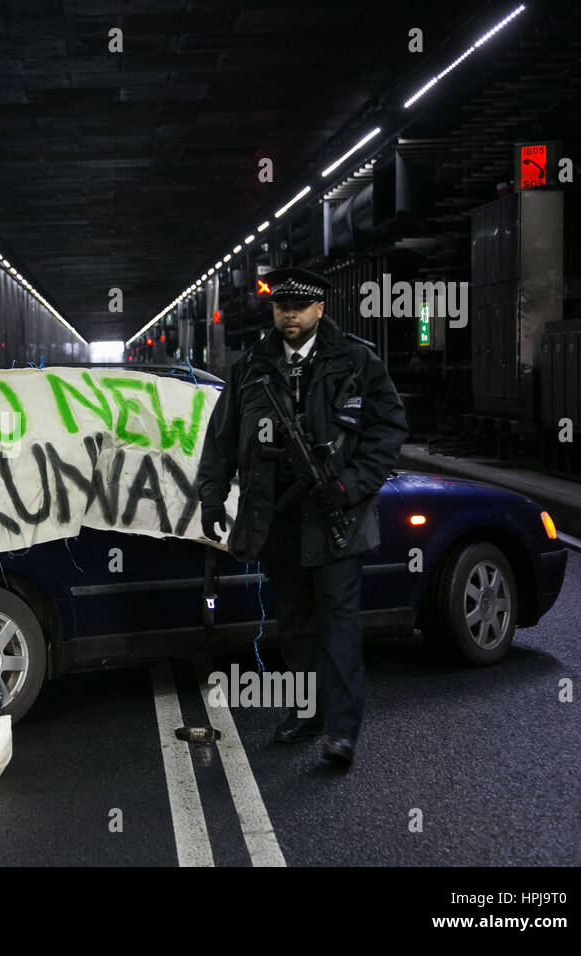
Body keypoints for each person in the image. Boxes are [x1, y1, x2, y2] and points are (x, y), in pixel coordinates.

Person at [196, 268, 407, 767]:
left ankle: (341, 731)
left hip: (339, 521)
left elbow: (388, 430)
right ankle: (306, 712)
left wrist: (349, 486)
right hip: (279, 523)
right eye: (281, 305)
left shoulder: (356, 360)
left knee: (338, 625)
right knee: (294, 627)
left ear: (319, 309)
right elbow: (221, 440)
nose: (289, 313)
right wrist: (211, 498)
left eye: (299, 304)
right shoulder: (251, 367)